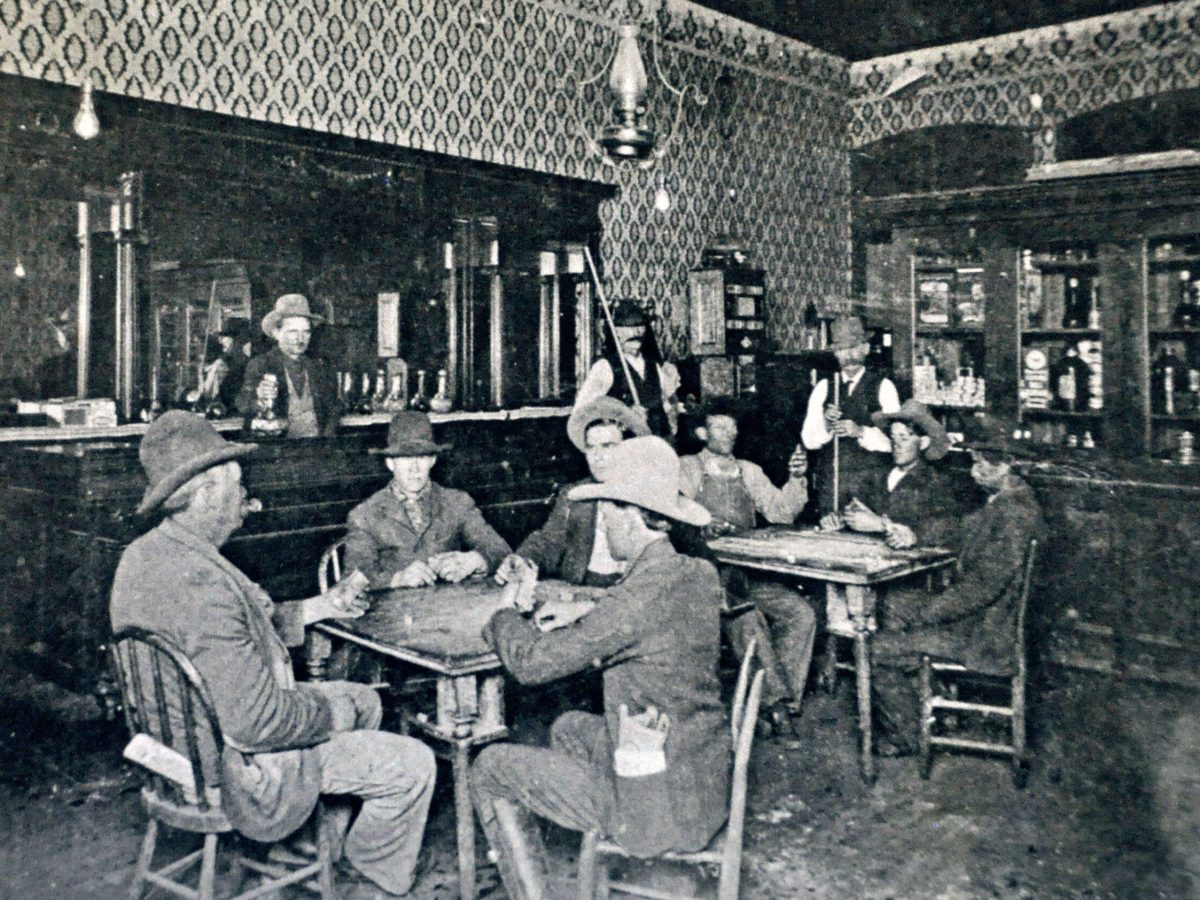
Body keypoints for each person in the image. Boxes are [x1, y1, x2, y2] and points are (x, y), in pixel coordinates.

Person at [109, 411, 435, 899]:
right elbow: (256, 724)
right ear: (205, 491)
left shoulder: (147, 555)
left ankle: (310, 844)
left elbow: (235, 631)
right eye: (238, 486)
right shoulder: (203, 583)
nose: (247, 499)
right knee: (413, 763)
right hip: (237, 768)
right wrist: (331, 712)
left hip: (178, 747)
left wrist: (321, 607)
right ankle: (369, 877)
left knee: (368, 700)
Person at [471, 436, 728, 900]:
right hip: (701, 776)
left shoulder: (636, 598)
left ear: (632, 514)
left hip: (659, 802)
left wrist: (505, 612)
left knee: (489, 765)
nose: (604, 527)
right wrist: (587, 608)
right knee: (569, 726)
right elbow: (640, 611)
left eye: (609, 513)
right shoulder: (693, 573)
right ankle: (593, 852)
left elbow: (530, 664)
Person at [871, 415, 1045, 755]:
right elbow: (962, 527)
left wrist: (929, 611)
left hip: (986, 634)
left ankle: (907, 735)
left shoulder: (1014, 514)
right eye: (973, 461)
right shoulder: (1009, 501)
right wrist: (915, 533)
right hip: (986, 619)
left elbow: (983, 586)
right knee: (892, 605)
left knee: (877, 648)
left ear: (1007, 465)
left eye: (981, 463)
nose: (973, 470)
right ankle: (938, 712)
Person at [678, 398, 818, 730]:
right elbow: (674, 509)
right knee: (748, 617)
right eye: (721, 427)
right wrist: (701, 521)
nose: (731, 433)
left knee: (801, 614)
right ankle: (774, 707)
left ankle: (781, 703)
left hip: (749, 571)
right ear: (702, 432)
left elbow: (780, 512)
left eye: (733, 427)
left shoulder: (748, 471)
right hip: (708, 575)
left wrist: (797, 478)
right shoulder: (688, 467)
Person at [344, 410, 511, 590]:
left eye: (422, 457)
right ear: (390, 463)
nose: (414, 468)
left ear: (432, 460)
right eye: (405, 458)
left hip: (449, 609)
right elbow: (352, 578)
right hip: (392, 613)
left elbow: (500, 550)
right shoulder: (365, 515)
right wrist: (397, 579)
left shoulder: (457, 502)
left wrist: (476, 560)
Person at [819, 399, 961, 550]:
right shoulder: (876, 476)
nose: (897, 444)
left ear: (924, 443)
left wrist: (883, 525)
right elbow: (854, 509)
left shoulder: (936, 481)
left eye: (904, 438)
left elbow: (948, 526)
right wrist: (840, 519)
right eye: (893, 438)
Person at [801, 314, 901, 512]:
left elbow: (898, 443)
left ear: (866, 348)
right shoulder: (824, 387)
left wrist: (861, 432)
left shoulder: (884, 387)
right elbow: (809, 441)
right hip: (832, 487)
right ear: (835, 353)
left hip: (872, 488)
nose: (850, 356)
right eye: (843, 350)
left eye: (855, 348)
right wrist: (826, 424)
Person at [573, 299, 681, 439]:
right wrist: (622, 417)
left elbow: (670, 404)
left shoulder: (654, 366)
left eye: (640, 325)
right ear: (616, 332)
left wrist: (671, 412)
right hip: (625, 448)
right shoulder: (605, 367)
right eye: (628, 326)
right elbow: (582, 412)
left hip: (657, 447)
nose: (636, 331)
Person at [238, 294, 340, 437]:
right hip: (279, 449)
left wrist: (326, 440)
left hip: (315, 449)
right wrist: (259, 397)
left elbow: (333, 408)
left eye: (306, 332)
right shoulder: (261, 364)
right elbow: (242, 403)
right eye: (293, 332)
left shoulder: (319, 366)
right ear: (277, 333)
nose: (300, 339)